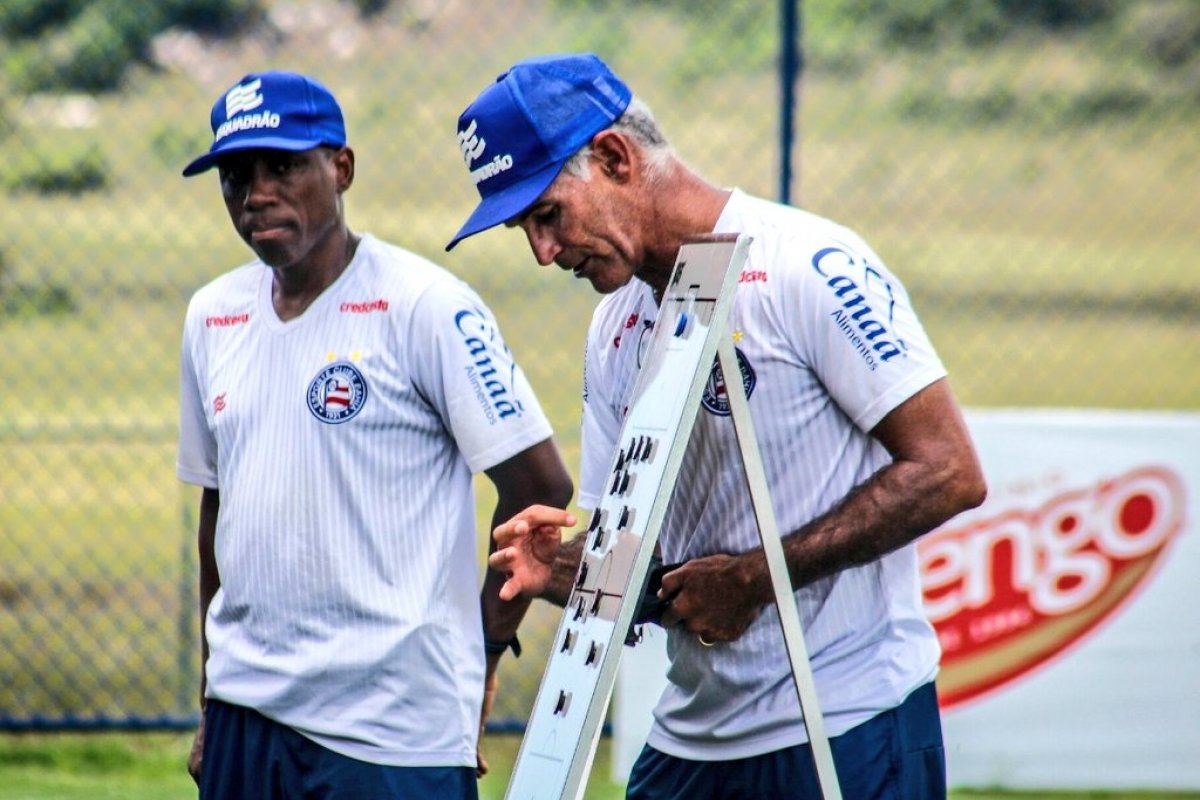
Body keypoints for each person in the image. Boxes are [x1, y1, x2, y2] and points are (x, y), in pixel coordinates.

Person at [446, 53, 987, 799]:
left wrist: (755, 580)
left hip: (844, 719)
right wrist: (559, 572)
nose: (542, 253)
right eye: (523, 229)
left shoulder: (807, 265)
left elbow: (950, 472)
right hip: (694, 737)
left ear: (613, 157)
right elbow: (640, 563)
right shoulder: (615, 326)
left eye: (547, 215)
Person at [176, 69, 573, 799]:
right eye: (235, 175)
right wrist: (211, 697)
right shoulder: (212, 315)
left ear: (342, 168)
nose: (256, 192)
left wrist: (484, 649)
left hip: (390, 733)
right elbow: (216, 513)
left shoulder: (425, 306)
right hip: (245, 719)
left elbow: (538, 487)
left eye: (284, 166)